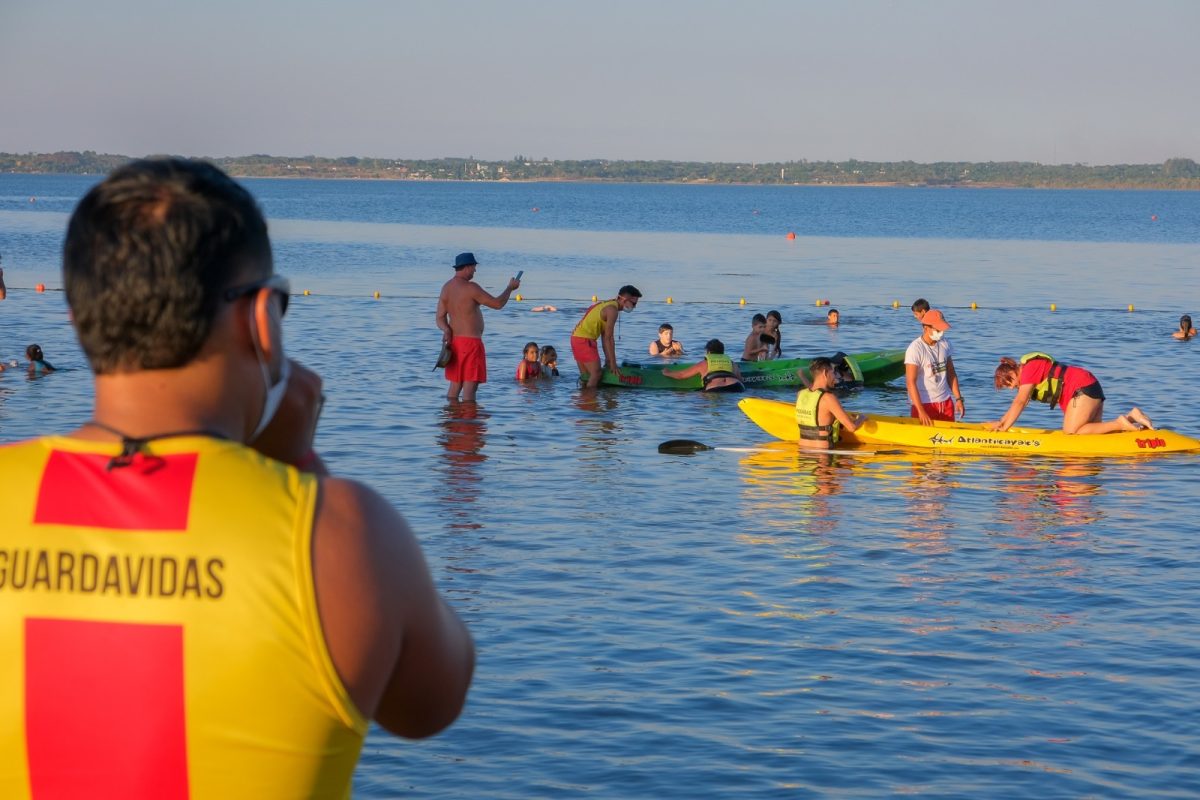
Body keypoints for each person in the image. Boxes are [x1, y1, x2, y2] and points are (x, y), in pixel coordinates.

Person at [0, 158, 474, 797]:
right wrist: (298, 474)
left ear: (80, 319)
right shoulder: (342, 534)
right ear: (260, 320)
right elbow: (432, 706)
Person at [984, 353, 1153, 434]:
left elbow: (1019, 403)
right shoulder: (1029, 373)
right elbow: (1017, 404)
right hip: (1091, 386)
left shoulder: (1028, 370)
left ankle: (1120, 423)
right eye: (1009, 386)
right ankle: (1132, 417)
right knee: (1092, 435)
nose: (1013, 386)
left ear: (1014, 370)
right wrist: (1001, 422)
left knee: (1072, 432)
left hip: (1082, 389)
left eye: (1011, 381)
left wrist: (1005, 429)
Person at [435, 252, 520, 403]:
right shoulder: (471, 288)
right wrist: (510, 288)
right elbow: (497, 304)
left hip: (454, 343)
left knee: (455, 385)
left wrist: (447, 330)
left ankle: (452, 419)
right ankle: (469, 423)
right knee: (470, 387)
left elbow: (439, 318)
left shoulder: (446, 287)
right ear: (467, 267)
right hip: (471, 344)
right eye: (474, 267)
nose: (475, 270)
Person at [571, 285, 642, 388]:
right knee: (596, 374)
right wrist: (613, 364)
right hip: (584, 340)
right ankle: (590, 398)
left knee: (586, 376)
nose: (634, 307)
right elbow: (609, 339)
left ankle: (584, 400)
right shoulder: (612, 311)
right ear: (624, 299)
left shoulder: (606, 304)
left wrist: (608, 360)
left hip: (576, 338)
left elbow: (605, 338)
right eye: (633, 303)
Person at [904, 308, 964, 425]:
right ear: (926, 328)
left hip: (946, 402)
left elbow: (951, 373)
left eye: (942, 330)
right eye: (938, 330)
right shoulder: (915, 349)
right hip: (924, 404)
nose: (941, 333)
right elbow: (910, 382)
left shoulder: (945, 343)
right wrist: (921, 410)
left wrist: (958, 399)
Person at [795, 356, 864, 449]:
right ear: (825, 373)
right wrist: (862, 418)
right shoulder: (828, 398)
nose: (835, 377)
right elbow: (851, 427)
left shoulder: (801, 394)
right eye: (833, 372)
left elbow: (817, 414)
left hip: (803, 451)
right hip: (822, 456)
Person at [662, 338, 744, 392]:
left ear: (708, 352)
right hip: (737, 386)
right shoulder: (732, 363)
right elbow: (740, 380)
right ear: (722, 352)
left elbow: (681, 375)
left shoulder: (704, 364)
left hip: (716, 389)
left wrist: (667, 372)